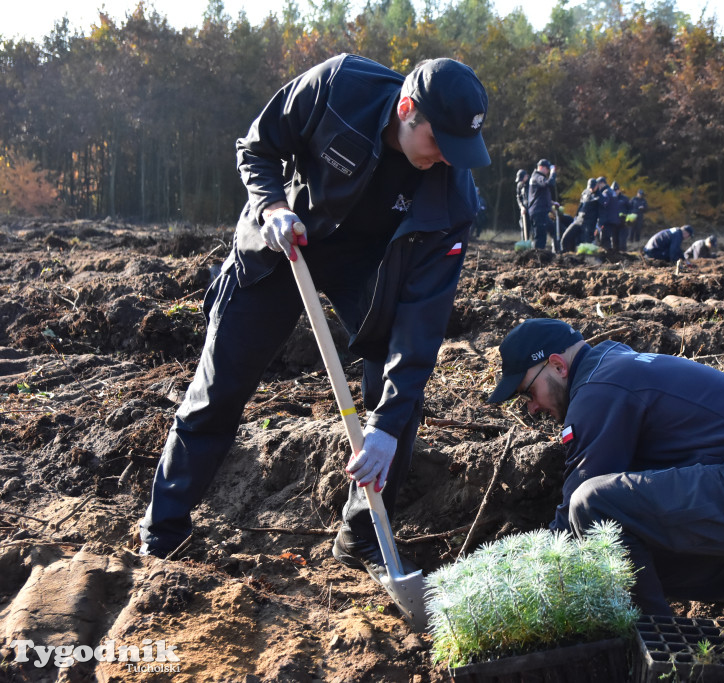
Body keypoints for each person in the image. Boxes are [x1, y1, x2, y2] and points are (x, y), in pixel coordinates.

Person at [137, 56, 490, 583]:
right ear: (406, 108)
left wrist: (388, 428)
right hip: (286, 241)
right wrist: (272, 207)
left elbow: (422, 321)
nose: (446, 160)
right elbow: (257, 147)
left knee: (397, 407)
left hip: (371, 270)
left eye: (459, 150)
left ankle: (361, 538)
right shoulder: (340, 86)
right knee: (219, 388)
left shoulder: (453, 201)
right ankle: (163, 532)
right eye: (440, 143)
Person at [485, 319, 724, 615]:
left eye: (526, 393)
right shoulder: (609, 365)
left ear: (558, 365)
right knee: (629, 550)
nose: (531, 408)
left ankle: (652, 640)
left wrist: (508, 580)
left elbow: (574, 520)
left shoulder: (599, 390)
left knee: (592, 505)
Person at [527, 159, 558, 250]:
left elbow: (540, 195)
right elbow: (550, 183)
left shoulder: (538, 177)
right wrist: (553, 173)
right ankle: (537, 259)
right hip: (539, 212)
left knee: (554, 231)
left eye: (549, 169)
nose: (548, 171)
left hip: (543, 212)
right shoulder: (537, 177)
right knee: (540, 239)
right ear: (541, 167)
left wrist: (552, 203)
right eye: (547, 169)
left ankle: (556, 253)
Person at [598, 181, 630, 252]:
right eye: (614, 190)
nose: (615, 191)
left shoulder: (624, 199)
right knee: (614, 241)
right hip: (614, 223)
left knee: (622, 242)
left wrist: (627, 217)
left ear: (619, 190)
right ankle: (616, 256)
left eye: (616, 190)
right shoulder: (611, 197)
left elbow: (631, 209)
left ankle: (624, 255)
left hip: (623, 224)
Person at [576, 178, 602, 244]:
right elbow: (581, 205)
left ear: (597, 186)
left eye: (593, 187)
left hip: (592, 221)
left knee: (589, 237)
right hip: (581, 219)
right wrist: (576, 216)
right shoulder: (585, 193)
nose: (591, 189)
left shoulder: (599, 195)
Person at [514, 169, 530, 242]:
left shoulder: (531, 184)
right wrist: (521, 207)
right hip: (524, 210)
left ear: (526, 176)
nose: (521, 181)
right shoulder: (519, 185)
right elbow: (518, 197)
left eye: (522, 179)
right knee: (523, 227)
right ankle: (524, 243)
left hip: (532, 209)